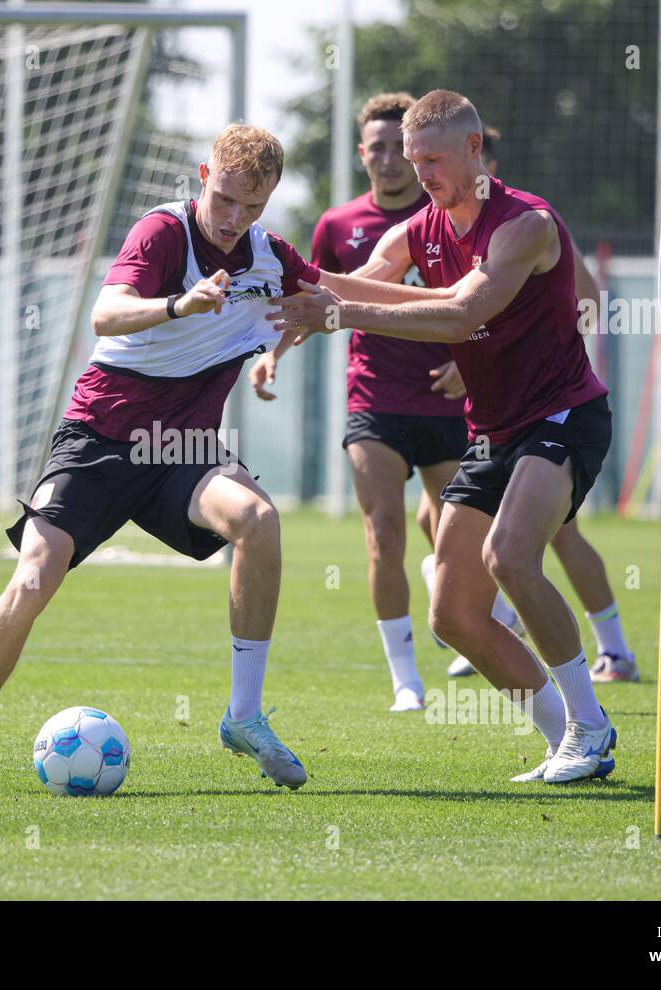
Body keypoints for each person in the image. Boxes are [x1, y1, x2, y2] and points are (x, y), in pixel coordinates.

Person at [0, 124, 316, 794]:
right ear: (202, 176)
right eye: (225, 199)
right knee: (34, 577)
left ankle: (244, 716)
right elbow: (105, 315)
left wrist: (282, 347)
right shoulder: (161, 233)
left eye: (253, 207)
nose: (234, 219)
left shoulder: (270, 254)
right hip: (98, 441)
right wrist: (179, 304)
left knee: (259, 520)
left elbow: (322, 299)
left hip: (181, 452)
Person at [269, 90, 618, 784]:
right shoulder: (419, 229)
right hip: (495, 431)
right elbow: (365, 281)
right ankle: (574, 739)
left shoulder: (525, 224)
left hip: (563, 417)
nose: (414, 169)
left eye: (429, 157)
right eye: (406, 154)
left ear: (473, 149)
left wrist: (336, 313)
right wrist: (279, 277)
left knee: (511, 557)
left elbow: (461, 316)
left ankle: (592, 721)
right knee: (453, 614)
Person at [249, 93, 521, 712]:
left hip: (449, 399)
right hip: (373, 399)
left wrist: (467, 355)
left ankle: (477, 612)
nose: (392, 160)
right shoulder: (340, 226)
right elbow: (322, 297)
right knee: (383, 532)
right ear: (361, 154)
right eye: (376, 148)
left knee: (453, 529)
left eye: (403, 150)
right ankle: (405, 679)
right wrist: (272, 352)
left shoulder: (460, 217)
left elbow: (484, 302)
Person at [441, 127, 638, 683]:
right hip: (493, 417)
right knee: (477, 535)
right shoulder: (436, 232)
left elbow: (589, 300)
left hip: (552, 410)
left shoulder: (524, 223)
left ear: (482, 161)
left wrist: (526, 351)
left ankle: (614, 651)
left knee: (545, 539)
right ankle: (487, 623)